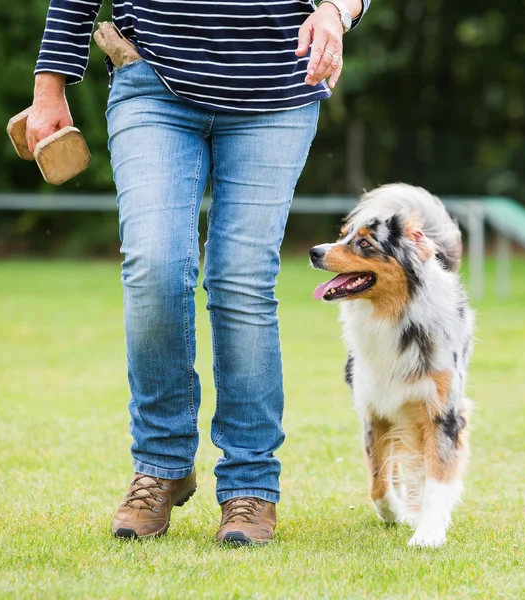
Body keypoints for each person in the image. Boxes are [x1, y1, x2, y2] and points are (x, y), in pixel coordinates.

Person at [28, 0, 369, 545]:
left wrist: (334, 10)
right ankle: (161, 466)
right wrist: (50, 88)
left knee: (241, 281)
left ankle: (250, 484)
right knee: (155, 266)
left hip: (278, 86)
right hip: (153, 77)